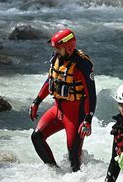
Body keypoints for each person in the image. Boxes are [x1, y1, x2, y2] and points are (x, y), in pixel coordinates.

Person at [28, 28, 96, 172]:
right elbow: (50, 81)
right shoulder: (56, 58)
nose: (56, 51)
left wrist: (88, 120)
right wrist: (37, 101)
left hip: (75, 116)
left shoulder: (83, 65)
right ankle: (56, 173)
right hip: (57, 111)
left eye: (59, 48)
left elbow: (91, 95)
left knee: (73, 160)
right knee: (36, 137)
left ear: (69, 48)